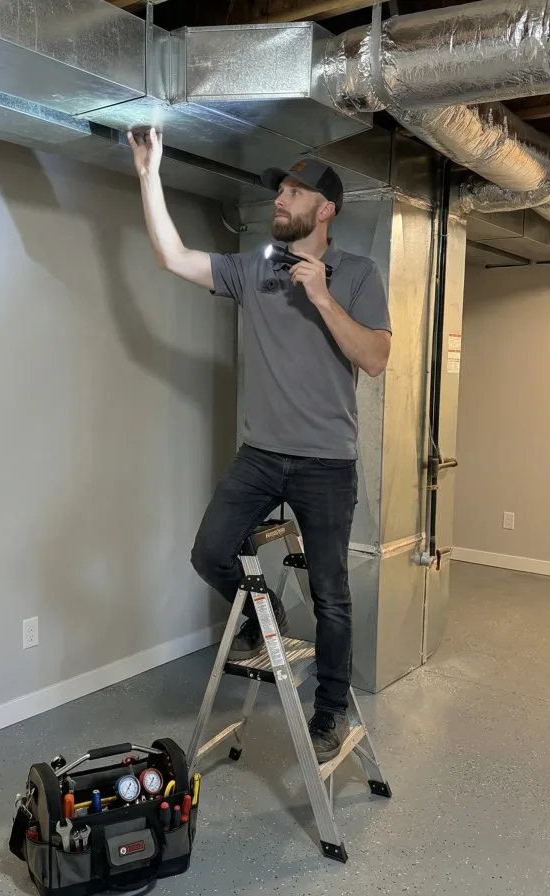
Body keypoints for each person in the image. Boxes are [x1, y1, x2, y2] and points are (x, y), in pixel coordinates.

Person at [127, 127, 391, 762]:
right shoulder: (254, 269)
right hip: (261, 456)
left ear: (325, 210)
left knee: (330, 596)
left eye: (295, 192)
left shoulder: (358, 274)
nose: (281, 198)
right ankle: (260, 615)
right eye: (281, 190)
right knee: (210, 551)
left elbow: (376, 358)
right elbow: (173, 257)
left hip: (327, 463)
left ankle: (329, 712)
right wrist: (148, 174)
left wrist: (321, 295)